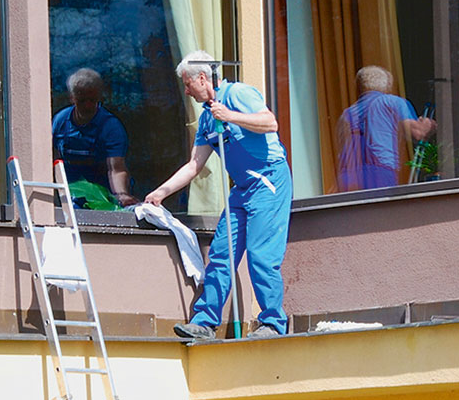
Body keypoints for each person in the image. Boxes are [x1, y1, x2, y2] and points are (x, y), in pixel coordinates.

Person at [145, 50, 293, 339]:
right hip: (241, 190)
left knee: (262, 254)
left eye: (188, 83)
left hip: (269, 180)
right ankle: (204, 322)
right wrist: (160, 192)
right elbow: (194, 165)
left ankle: (273, 323)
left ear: (202, 78)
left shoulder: (237, 93)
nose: (186, 90)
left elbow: (269, 122)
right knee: (221, 253)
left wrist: (230, 115)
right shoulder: (206, 120)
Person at [336, 65, 436, 191]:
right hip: (379, 171)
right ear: (388, 85)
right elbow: (418, 133)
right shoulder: (392, 102)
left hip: (347, 175)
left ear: (358, 87)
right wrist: (429, 124)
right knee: (381, 209)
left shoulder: (347, 114)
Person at [52, 68, 138, 207]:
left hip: (103, 192)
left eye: (92, 100)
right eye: (82, 100)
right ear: (72, 98)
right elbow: (52, 161)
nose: (87, 106)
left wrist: (122, 195)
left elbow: (116, 168)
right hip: (72, 190)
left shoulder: (110, 127)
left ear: (99, 97)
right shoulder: (60, 121)